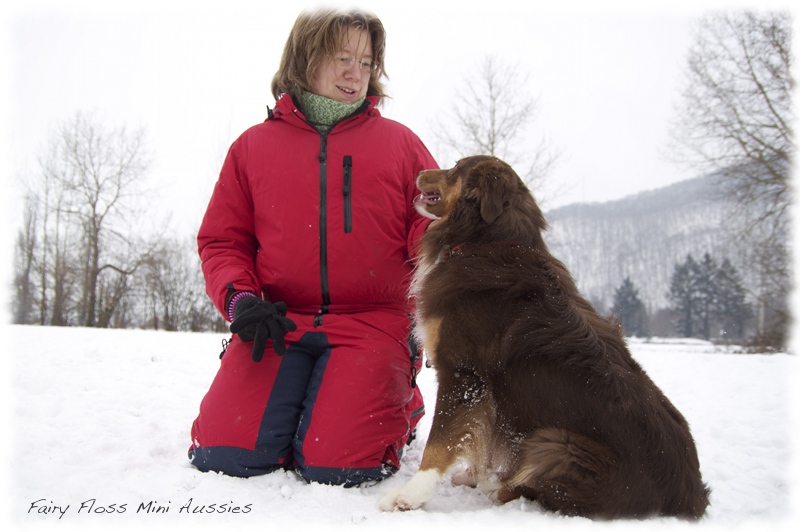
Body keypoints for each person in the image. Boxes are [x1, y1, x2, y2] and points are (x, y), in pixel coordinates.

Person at [188, 8, 438, 487]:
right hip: (278, 320)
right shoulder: (252, 147)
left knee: (339, 466)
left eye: (366, 63)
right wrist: (241, 300)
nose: (355, 73)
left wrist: (452, 257)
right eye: (342, 57)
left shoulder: (401, 144)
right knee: (225, 454)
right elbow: (224, 240)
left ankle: (401, 400)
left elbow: (429, 229)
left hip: (374, 323)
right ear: (305, 59)